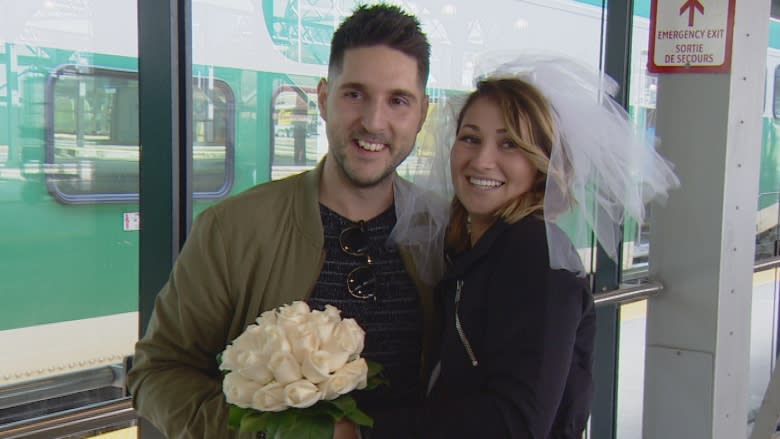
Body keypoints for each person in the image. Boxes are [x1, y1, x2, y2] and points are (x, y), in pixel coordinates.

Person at [126, 4, 444, 438]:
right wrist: (257, 433)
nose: (374, 121)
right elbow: (157, 371)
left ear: (423, 113)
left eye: (398, 101)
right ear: (322, 98)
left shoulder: (446, 232)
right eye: (354, 94)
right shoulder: (232, 229)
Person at [362, 56, 679, 438]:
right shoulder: (473, 246)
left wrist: (365, 431)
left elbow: (517, 423)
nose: (482, 160)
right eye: (470, 138)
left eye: (509, 144)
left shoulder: (537, 261)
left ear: (540, 163)